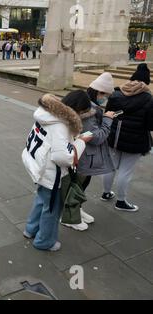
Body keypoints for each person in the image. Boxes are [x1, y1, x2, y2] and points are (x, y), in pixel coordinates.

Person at [22, 93, 91, 251]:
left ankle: (30, 229)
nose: (81, 116)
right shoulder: (60, 125)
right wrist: (81, 142)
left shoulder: (47, 114)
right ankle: (44, 241)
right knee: (52, 209)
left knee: (41, 200)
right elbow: (63, 158)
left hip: (38, 168)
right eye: (82, 112)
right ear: (77, 109)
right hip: (51, 175)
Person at [61, 87, 115, 231]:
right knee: (76, 186)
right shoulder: (85, 115)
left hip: (79, 154)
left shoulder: (72, 111)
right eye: (104, 94)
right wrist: (108, 120)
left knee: (78, 186)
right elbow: (97, 138)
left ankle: (76, 210)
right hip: (80, 156)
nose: (105, 98)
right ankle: (69, 216)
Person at [102, 63, 153, 212]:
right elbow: (150, 125)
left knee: (111, 166)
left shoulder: (116, 94)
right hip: (135, 141)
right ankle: (121, 201)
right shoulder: (148, 99)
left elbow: (108, 115)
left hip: (114, 137)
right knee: (126, 171)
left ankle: (106, 193)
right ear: (146, 82)